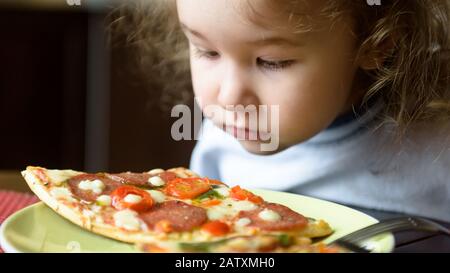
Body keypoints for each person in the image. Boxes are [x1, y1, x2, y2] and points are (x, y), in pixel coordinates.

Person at [115, 0, 450, 221]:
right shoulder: (220, 149)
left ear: (376, 43)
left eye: (271, 62)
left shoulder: (438, 148)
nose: (230, 97)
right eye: (207, 52)